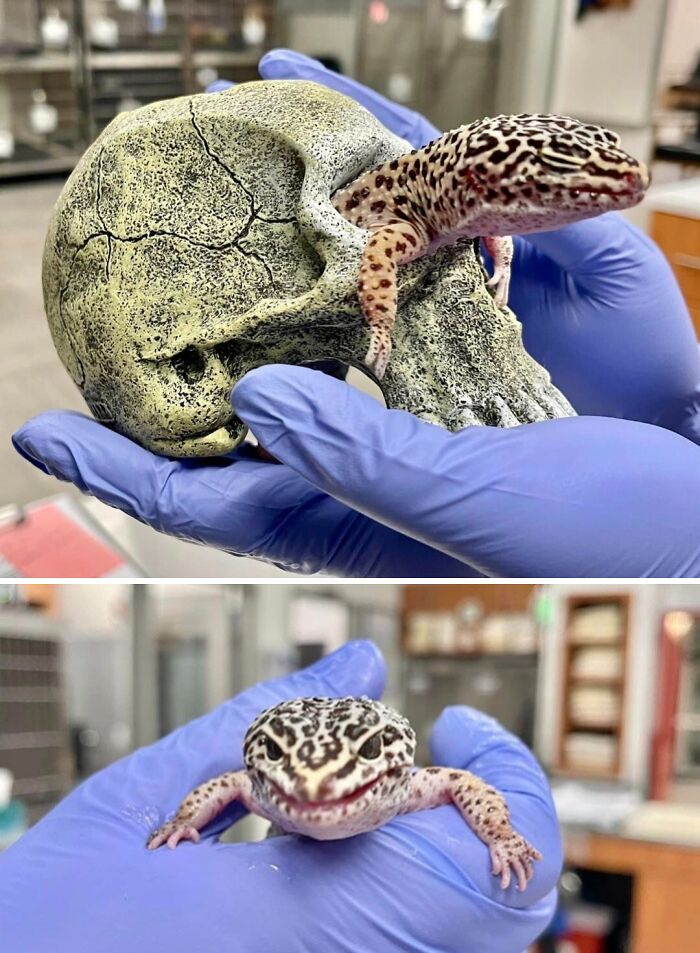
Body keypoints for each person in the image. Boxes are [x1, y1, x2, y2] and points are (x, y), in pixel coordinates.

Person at [13, 50, 700, 578]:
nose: (617, 190)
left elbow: (486, 228)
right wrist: (378, 324)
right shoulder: (407, 228)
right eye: (558, 186)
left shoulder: (466, 215)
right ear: (488, 187)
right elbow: (374, 265)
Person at [0, 641, 562, 953]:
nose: (314, 786)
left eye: (361, 754)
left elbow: (465, 784)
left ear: (395, 758)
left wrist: (500, 834)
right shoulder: (262, 788)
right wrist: (183, 821)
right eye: (280, 758)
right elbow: (230, 784)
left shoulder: (412, 785)